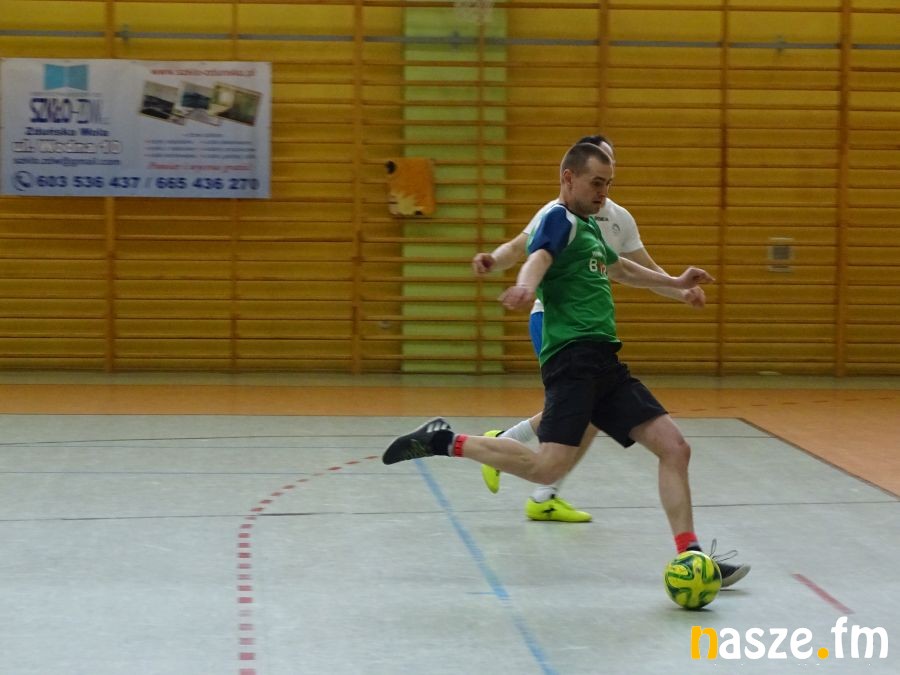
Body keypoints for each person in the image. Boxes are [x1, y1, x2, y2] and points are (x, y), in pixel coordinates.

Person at [383, 141, 749, 586]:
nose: (603, 193)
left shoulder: (590, 227)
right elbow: (537, 256)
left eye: (608, 184)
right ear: (569, 178)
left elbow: (623, 269)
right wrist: (524, 285)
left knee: (675, 448)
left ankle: (690, 556)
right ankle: (442, 440)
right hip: (572, 361)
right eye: (596, 183)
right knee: (548, 468)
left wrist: (675, 282)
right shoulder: (558, 219)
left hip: (606, 363)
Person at [472, 134, 705, 524]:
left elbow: (634, 269)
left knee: (589, 412)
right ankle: (518, 463)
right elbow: (523, 249)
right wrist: (495, 263)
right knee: (583, 409)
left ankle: (531, 476)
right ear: (576, 173)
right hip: (554, 320)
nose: (604, 184)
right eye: (598, 174)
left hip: (593, 331)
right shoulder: (558, 213)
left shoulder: (616, 218)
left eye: (609, 174)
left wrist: (680, 290)